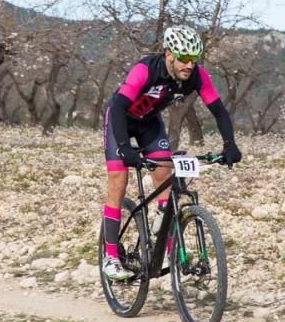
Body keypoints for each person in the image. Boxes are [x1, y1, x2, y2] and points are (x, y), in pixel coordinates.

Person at [101, 25, 242, 280]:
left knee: (165, 176)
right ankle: (111, 256)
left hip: (149, 124)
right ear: (169, 55)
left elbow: (219, 110)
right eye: (184, 58)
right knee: (118, 181)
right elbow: (120, 106)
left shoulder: (197, 76)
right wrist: (124, 147)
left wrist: (229, 144)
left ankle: (167, 251)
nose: (190, 65)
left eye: (194, 59)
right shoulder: (146, 70)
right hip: (120, 120)